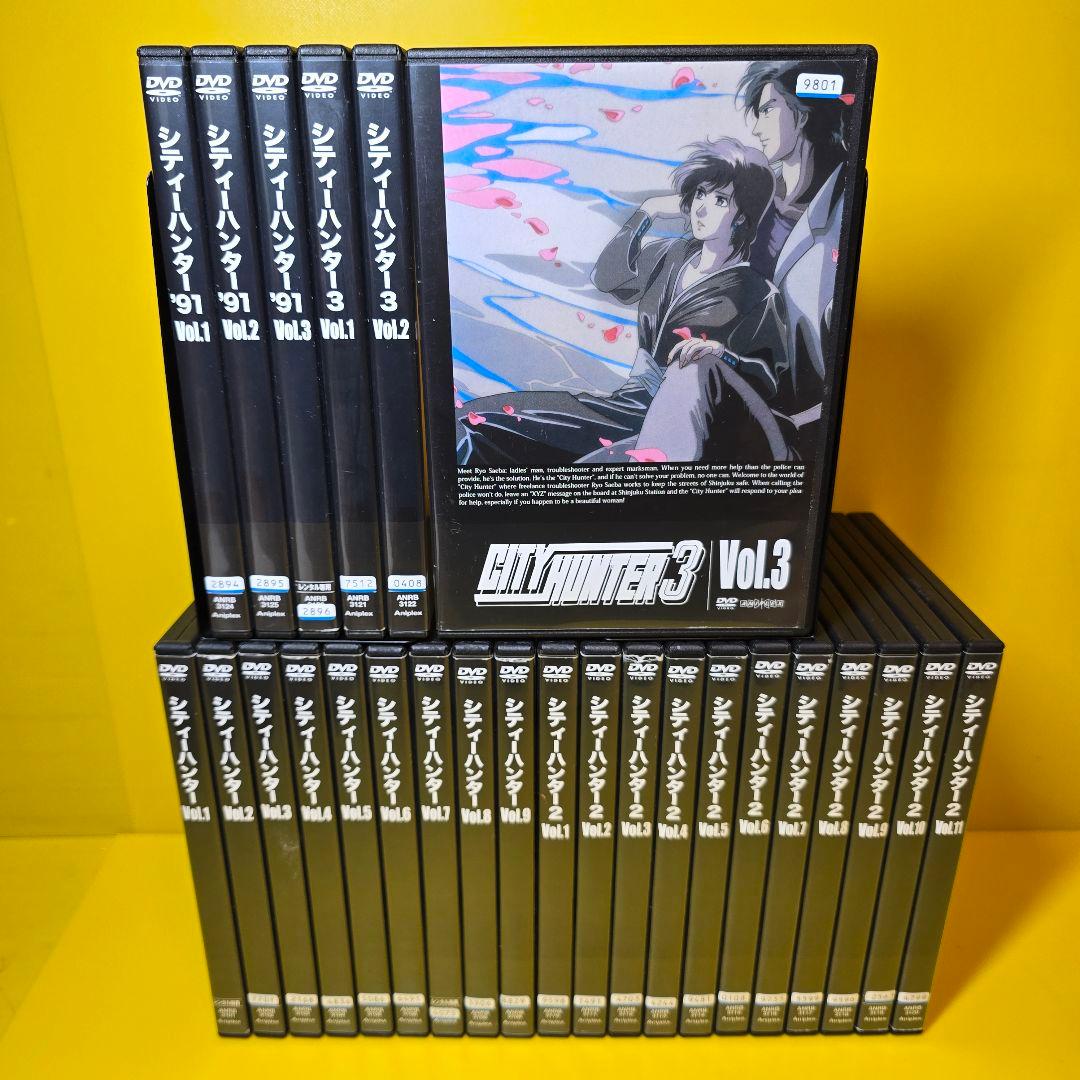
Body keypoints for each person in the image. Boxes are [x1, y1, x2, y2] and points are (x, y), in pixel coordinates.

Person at [455, 137, 790, 465]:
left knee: (484, 427)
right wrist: (646, 213)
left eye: (720, 200)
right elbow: (608, 277)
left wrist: (722, 355)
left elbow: (769, 382)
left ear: (743, 215)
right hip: (625, 403)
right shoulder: (672, 255)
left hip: (672, 416)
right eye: (700, 193)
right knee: (471, 417)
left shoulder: (758, 293)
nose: (701, 207)